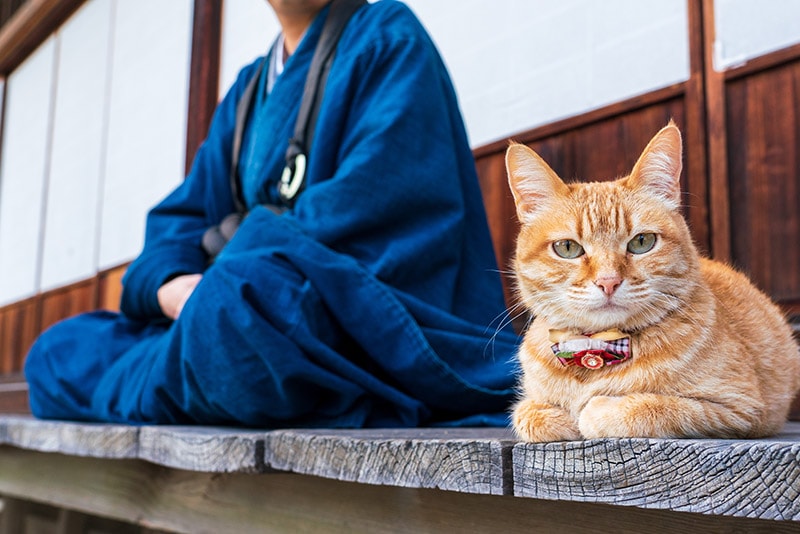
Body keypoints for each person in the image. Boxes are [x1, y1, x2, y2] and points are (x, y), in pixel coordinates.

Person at [24, 0, 519, 428]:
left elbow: (376, 205)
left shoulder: (388, 38)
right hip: (230, 316)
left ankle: (200, 369)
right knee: (57, 349)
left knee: (239, 302)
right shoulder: (249, 90)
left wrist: (233, 268)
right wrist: (173, 289)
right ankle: (204, 370)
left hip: (338, 315)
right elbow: (180, 219)